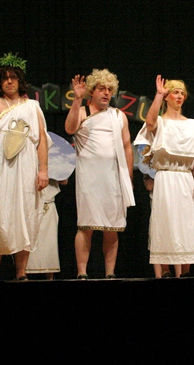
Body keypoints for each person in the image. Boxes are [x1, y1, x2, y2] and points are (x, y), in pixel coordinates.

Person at [0, 35, 51, 281]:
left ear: (20, 80)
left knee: (25, 213)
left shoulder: (32, 106)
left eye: (13, 77)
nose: (9, 82)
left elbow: (41, 140)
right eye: (4, 78)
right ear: (0, 83)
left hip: (26, 164)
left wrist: (43, 170)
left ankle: (21, 272)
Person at [135, 75, 194, 278]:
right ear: (167, 96)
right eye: (175, 92)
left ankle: (185, 273)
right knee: (166, 223)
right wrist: (158, 95)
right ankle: (165, 271)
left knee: (187, 225)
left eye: (182, 93)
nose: (179, 96)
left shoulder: (193, 124)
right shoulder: (161, 122)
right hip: (166, 178)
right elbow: (150, 123)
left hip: (186, 179)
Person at [65, 69, 135, 279]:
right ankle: (82, 273)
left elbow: (127, 146)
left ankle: (110, 273)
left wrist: (128, 177)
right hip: (89, 179)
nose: (106, 93)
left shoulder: (118, 115)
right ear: (91, 91)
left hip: (113, 178)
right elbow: (69, 129)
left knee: (112, 227)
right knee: (85, 225)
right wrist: (77, 100)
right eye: (101, 89)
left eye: (109, 89)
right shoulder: (83, 112)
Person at [25, 179, 67, 280]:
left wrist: (52, 173)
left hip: (48, 202)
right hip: (28, 201)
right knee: (27, 241)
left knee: (49, 242)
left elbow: (64, 180)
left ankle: (50, 277)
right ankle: (22, 274)